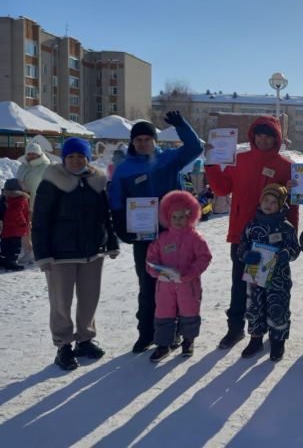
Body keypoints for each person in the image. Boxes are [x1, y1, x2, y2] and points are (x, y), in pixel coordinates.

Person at [109, 111, 202, 353]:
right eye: (138, 140)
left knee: (177, 283)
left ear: (154, 141)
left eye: (147, 139)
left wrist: (182, 125)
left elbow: (194, 148)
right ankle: (147, 333)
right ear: (132, 142)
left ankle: (177, 333)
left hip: (173, 232)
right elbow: (117, 200)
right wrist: (121, 226)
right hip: (144, 237)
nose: (142, 143)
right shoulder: (124, 169)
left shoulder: (169, 159)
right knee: (148, 284)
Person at [205, 116, 298, 350]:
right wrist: (211, 163)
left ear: (276, 138)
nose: (264, 139)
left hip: (273, 240)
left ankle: (272, 329)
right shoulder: (239, 160)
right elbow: (221, 188)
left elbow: (292, 205)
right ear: (253, 136)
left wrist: (291, 237)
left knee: (271, 286)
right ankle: (235, 329)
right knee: (240, 285)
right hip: (243, 236)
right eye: (260, 134)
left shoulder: (286, 166)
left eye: (269, 136)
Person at [32, 137, 119, 371]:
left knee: (90, 298)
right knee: (61, 302)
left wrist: (111, 242)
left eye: (80, 156)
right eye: (70, 156)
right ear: (64, 158)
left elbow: (105, 216)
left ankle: (85, 339)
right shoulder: (52, 181)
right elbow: (39, 221)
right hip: (61, 254)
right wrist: (43, 254)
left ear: (87, 157)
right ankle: (63, 346)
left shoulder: (97, 181)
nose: (75, 160)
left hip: (92, 252)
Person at [145, 190, 212, 362]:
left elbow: (204, 257)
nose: (178, 221)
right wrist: (155, 270)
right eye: (174, 217)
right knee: (163, 313)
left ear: (190, 216)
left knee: (189, 311)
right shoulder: (162, 238)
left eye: (182, 217)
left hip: (188, 284)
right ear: (168, 217)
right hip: (165, 285)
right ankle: (163, 344)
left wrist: (191, 273)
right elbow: (151, 258)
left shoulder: (195, 238)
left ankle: (188, 341)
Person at [238, 184, 300, 361]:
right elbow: (241, 246)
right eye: (266, 200)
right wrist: (245, 255)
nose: (269, 204)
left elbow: (295, 248)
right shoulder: (251, 225)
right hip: (255, 276)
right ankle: (255, 339)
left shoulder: (286, 227)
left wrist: (286, 254)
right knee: (255, 306)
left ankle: (277, 341)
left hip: (278, 278)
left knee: (277, 307)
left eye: (274, 202)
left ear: (280, 205)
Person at [16, 142, 51, 264]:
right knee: (25, 228)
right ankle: (29, 251)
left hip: (38, 203)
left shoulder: (46, 166)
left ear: (39, 153)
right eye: (29, 153)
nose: (31, 156)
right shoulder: (23, 166)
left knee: (37, 228)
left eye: (34, 153)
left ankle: (39, 251)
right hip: (22, 202)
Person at [0, 178, 30, 271]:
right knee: (15, 247)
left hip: (6, 228)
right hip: (16, 228)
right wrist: (23, 223)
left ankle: (4, 260)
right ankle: (12, 262)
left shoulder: (5, 198)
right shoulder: (21, 199)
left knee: (5, 244)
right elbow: (18, 213)